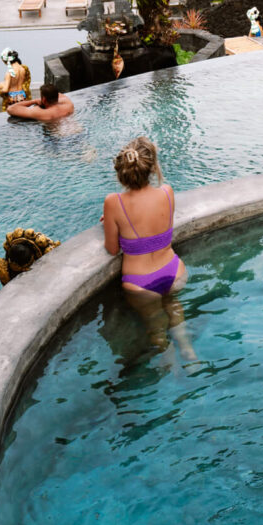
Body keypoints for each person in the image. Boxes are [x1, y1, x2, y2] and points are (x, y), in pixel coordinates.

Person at [102, 137, 195, 359]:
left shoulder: (113, 202)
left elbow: (113, 249)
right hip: (174, 271)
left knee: (155, 325)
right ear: (152, 167)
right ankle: (188, 350)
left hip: (141, 284)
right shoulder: (167, 192)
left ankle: (169, 361)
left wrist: (109, 222)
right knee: (173, 306)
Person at [7, 83, 74, 122]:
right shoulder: (68, 103)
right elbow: (58, 94)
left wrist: (34, 101)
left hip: (59, 136)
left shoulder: (41, 113)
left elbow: (11, 109)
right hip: (77, 132)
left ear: (44, 99)